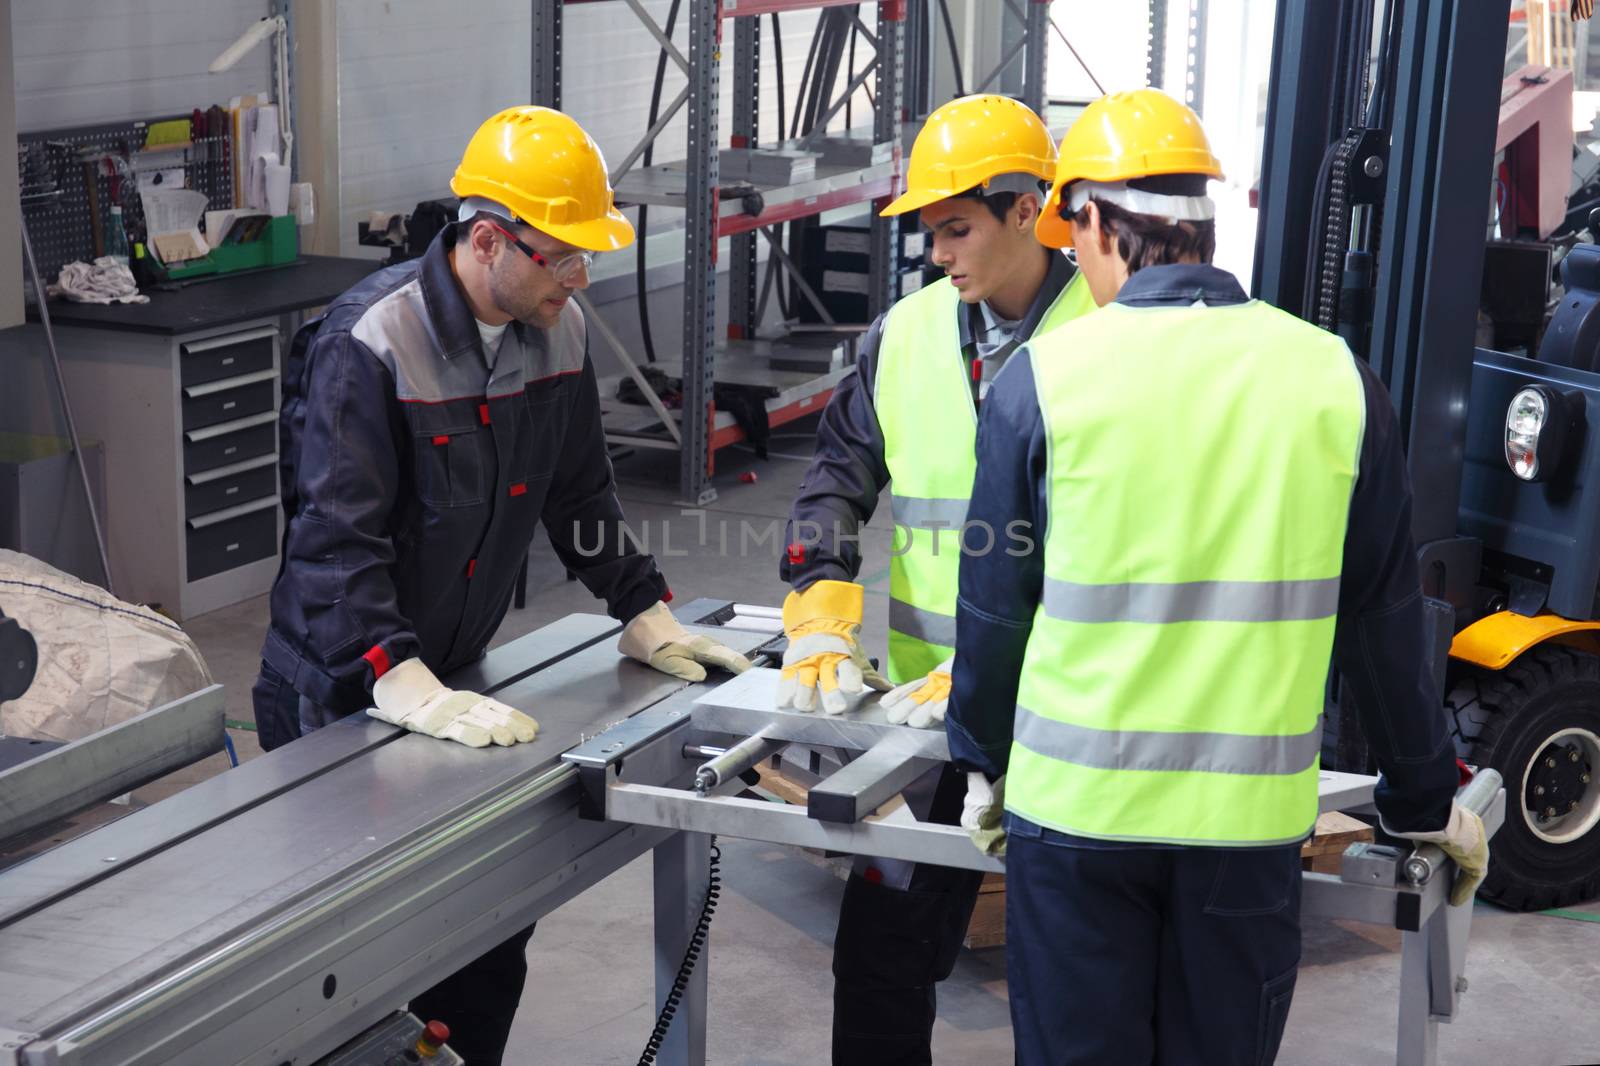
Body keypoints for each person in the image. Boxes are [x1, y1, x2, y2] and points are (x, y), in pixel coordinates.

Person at [945, 88, 1489, 1066]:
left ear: (1102, 224)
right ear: (1201, 223)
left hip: (1073, 829)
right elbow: (1381, 614)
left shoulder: (1043, 383)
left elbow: (994, 609)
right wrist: (1418, 797)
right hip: (1243, 839)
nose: (1077, 261)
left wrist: (980, 760)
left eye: (1078, 240)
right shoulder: (1333, 380)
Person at [251, 105, 750, 1065]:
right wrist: (395, 675)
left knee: (485, 938)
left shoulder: (552, 333)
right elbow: (334, 542)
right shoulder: (372, 341)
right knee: (367, 971)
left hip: (457, 680)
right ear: (490, 241)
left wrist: (642, 606)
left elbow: (579, 493)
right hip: (342, 691)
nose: (582, 277)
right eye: (563, 256)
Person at [774, 94, 1095, 1065]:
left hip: (1067, 719)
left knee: (1073, 975)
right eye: (928, 233)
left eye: (956, 228)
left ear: (1026, 207)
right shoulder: (905, 336)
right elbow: (834, 479)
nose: (939, 253)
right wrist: (820, 602)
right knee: (879, 959)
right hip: (928, 720)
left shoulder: (1111, 336)